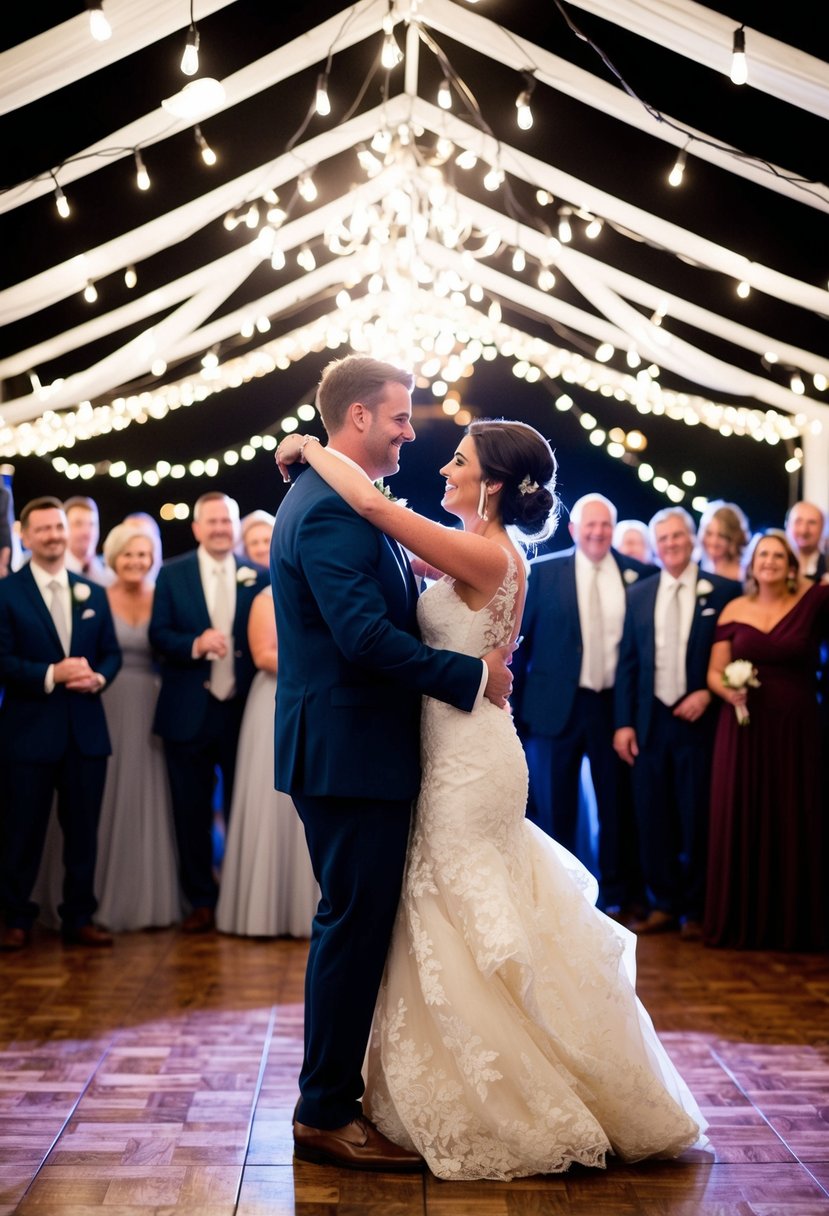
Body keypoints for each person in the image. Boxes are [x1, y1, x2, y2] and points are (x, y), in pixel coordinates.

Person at [276, 393, 705, 1181]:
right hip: (445, 739)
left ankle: (497, 1088)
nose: (440, 460)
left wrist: (309, 446)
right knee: (436, 913)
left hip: (466, 754)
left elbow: (371, 504)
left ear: (495, 486)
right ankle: (415, 1084)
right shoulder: (471, 545)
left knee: (463, 912)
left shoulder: (488, 552)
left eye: (460, 461)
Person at [271, 356, 514, 1173]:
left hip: (358, 748)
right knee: (352, 925)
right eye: (401, 416)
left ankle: (342, 1093)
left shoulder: (334, 492)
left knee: (360, 921)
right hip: (350, 751)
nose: (414, 431)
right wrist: (472, 676)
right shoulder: (335, 513)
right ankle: (324, 1111)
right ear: (360, 420)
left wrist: (308, 450)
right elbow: (365, 640)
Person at [512, 492, 656, 916]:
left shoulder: (639, 576)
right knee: (555, 804)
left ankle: (612, 894)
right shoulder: (543, 573)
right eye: (589, 525)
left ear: (614, 530)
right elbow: (521, 648)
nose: (596, 532)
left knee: (615, 805)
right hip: (551, 707)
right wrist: (515, 712)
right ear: (574, 529)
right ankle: (560, 896)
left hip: (612, 708)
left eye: (605, 525)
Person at [613, 508, 741, 940]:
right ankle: (664, 903)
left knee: (697, 816)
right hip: (649, 721)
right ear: (656, 545)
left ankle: (697, 909)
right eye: (663, 538)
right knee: (652, 816)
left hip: (698, 722)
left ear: (693, 539)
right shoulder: (640, 593)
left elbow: (736, 656)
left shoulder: (724, 591)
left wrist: (708, 692)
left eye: (678, 536)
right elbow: (627, 664)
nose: (671, 544)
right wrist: (624, 724)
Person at [0, 497, 121, 950]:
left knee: (83, 833)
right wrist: (53, 674)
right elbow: (3, 659)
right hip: (27, 734)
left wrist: (99, 677)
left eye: (58, 528)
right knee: (21, 831)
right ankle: (16, 918)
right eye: (44, 529)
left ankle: (79, 917)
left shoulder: (91, 589)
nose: (53, 536)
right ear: (27, 536)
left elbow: (112, 652)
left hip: (86, 733)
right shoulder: (6, 593)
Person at [149, 491, 268, 934]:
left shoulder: (257, 576)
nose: (220, 529)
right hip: (188, 709)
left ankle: (240, 897)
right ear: (197, 528)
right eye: (212, 522)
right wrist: (194, 644)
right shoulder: (172, 574)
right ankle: (201, 899)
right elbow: (158, 634)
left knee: (244, 807)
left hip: (242, 711)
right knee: (191, 810)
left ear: (235, 527)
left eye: (227, 522)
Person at [705, 529, 829, 950]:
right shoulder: (734, 607)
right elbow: (713, 672)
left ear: (792, 565)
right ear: (752, 564)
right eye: (763, 555)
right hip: (744, 728)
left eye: (779, 556)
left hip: (797, 728)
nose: (770, 562)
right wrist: (727, 690)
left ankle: (794, 924)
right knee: (744, 812)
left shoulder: (814, 601)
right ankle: (742, 921)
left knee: (795, 813)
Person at [93, 522, 182, 931]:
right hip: (106, 701)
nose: (136, 561)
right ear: (114, 557)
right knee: (106, 791)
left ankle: (150, 896)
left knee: (149, 791)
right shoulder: (95, 597)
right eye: (128, 554)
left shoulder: (162, 596)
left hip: (151, 700)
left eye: (143, 554)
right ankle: (95, 894)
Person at [216, 587, 319, 937]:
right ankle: (265, 912)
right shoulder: (265, 598)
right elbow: (263, 656)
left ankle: (309, 908)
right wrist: (321, 664)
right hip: (277, 699)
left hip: (316, 698)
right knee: (272, 802)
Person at [63, 495, 113, 585]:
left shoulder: (108, 572)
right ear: (63, 528)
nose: (87, 532)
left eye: (92, 524)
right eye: (78, 524)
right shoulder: (53, 570)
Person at [696, 500, 749, 582]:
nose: (713, 541)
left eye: (721, 536)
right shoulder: (698, 568)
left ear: (733, 539)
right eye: (709, 534)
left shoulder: (743, 577)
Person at [785, 500, 827, 582]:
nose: (804, 530)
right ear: (787, 525)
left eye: (812, 523)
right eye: (798, 522)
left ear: (822, 527)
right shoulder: (775, 567)